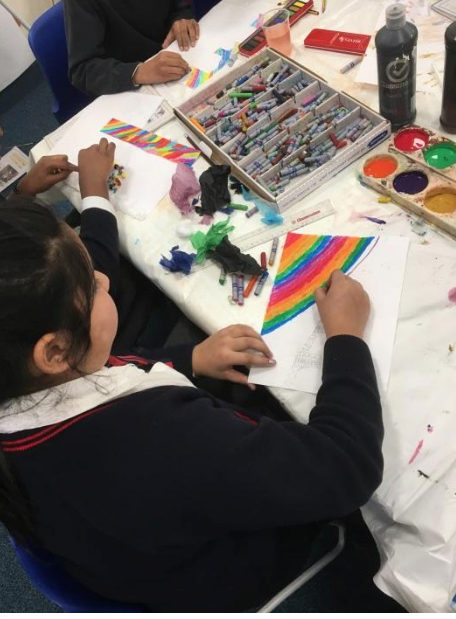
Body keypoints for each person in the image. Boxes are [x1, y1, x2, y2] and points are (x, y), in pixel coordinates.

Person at [0, 139, 384, 612]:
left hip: (141, 554)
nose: (105, 280)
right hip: (231, 572)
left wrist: (190, 359)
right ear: (55, 351)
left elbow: (112, 370)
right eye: (94, 283)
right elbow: (347, 468)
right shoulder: (160, 439)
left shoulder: (26, 386)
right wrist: (346, 338)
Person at [63, 0, 199, 96]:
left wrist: (181, 19)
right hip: (134, 89)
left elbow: (177, 7)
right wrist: (138, 72)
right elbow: (82, 70)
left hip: (180, 61)